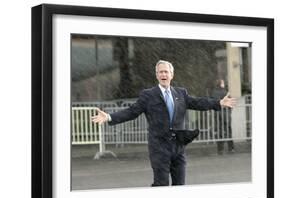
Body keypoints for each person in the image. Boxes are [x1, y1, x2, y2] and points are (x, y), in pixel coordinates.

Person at [92, 60, 236, 186]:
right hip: (159, 148)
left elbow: (198, 102)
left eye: (166, 72)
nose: (163, 75)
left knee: (180, 184)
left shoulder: (181, 93)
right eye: (160, 72)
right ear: (157, 75)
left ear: (171, 75)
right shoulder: (148, 95)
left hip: (178, 147)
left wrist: (218, 103)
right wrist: (109, 117)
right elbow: (132, 111)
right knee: (161, 184)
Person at [211, 79, 235, 155]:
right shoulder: (225, 92)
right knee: (228, 130)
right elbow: (231, 103)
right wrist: (229, 111)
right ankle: (231, 148)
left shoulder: (214, 92)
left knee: (219, 131)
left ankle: (220, 149)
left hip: (217, 114)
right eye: (223, 83)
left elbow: (212, 102)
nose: (224, 84)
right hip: (226, 114)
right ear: (221, 84)